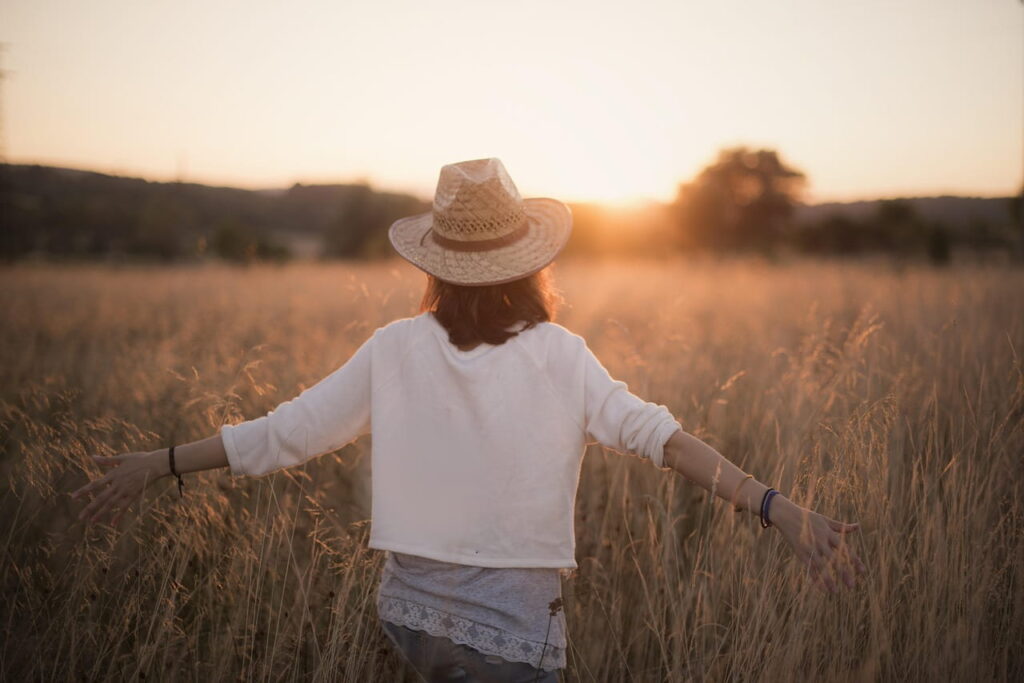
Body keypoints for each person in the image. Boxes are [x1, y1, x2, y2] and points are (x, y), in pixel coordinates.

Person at [69, 158, 866, 682]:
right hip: (513, 642)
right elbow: (665, 439)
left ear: (437, 266)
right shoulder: (562, 354)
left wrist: (161, 462)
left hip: (409, 625)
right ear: (532, 261)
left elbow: (285, 432)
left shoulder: (393, 348)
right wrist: (777, 507)